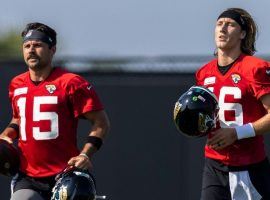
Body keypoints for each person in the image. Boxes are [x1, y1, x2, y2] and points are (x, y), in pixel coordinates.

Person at [0, 22, 110, 200]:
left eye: (37, 45)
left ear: (52, 49)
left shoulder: (70, 83)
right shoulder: (16, 84)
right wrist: (7, 135)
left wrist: (85, 154)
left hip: (65, 174)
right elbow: (19, 119)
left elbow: (101, 122)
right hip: (27, 176)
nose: (31, 50)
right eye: (27, 46)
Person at [196, 8, 270, 199]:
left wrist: (237, 133)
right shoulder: (204, 73)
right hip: (213, 164)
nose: (223, 29)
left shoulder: (255, 68)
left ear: (242, 34)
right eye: (219, 24)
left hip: (250, 166)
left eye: (230, 24)